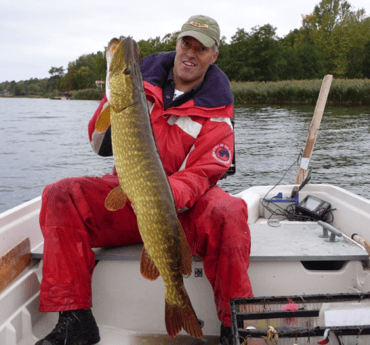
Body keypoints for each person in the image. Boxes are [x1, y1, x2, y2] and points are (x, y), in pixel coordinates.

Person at [36, 14, 253, 345]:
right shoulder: (139, 89)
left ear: (214, 56)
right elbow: (98, 144)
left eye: (201, 48)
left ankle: (234, 324)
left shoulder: (217, 111)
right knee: (60, 195)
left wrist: (160, 199)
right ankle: (75, 318)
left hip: (184, 203)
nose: (191, 53)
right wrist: (112, 100)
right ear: (178, 44)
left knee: (229, 213)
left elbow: (201, 174)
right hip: (129, 193)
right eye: (186, 43)